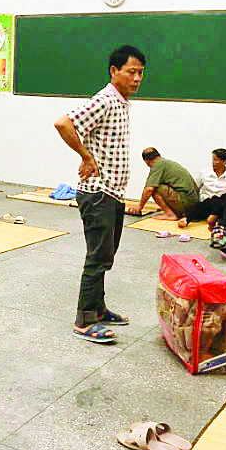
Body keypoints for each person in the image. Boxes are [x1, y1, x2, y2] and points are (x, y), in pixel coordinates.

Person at [54, 45, 145, 344]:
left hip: (113, 194)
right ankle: (84, 320)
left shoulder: (122, 102)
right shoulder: (105, 100)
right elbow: (63, 123)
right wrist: (86, 156)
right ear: (114, 71)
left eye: (141, 73)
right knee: (97, 258)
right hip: (98, 193)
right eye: (131, 72)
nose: (137, 78)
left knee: (106, 256)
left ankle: (98, 309)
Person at [125, 148, 199, 219]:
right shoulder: (166, 163)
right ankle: (173, 211)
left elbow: (149, 189)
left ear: (146, 161)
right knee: (157, 186)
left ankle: (170, 214)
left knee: (155, 188)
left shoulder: (157, 165)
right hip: (194, 204)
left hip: (187, 204)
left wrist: (139, 207)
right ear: (159, 155)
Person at [176, 148, 226, 227]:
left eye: (216, 160)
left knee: (218, 201)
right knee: (203, 204)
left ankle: (215, 218)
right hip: (205, 204)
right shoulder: (205, 172)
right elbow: (195, 188)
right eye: (213, 159)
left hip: (221, 205)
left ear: (224, 162)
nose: (213, 162)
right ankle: (186, 219)